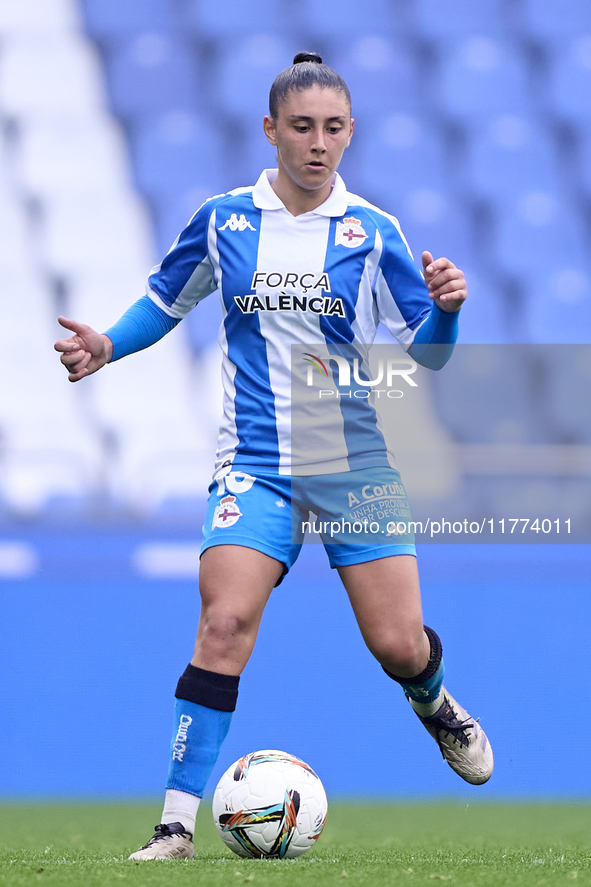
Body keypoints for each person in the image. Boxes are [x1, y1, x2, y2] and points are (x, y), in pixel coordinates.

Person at [55, 51, 493, 861]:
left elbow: (425, 353)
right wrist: (108, 344)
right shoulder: (226, 220)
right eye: (301, 127)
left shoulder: (371, 232)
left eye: (332, 128)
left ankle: (434, 703)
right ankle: (175, 825)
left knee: (397, 644)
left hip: (350, 459)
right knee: (223, 623)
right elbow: (164, 300)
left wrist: (446, 312)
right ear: (270, 130)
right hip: (253, 461)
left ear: (350, 133)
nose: (317, 143)